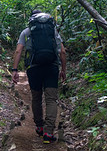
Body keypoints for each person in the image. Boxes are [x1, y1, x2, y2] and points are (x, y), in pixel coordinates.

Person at [10, 10, 67, 143]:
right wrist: (63, 70)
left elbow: (18, 50)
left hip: (34, 68)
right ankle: (48, 133)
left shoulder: (27, 31)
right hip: (51, 67)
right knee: (51, 100)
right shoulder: (52, 31)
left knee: (36, 98)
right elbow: (62, 52)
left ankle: (40, 127)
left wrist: (15, 70)